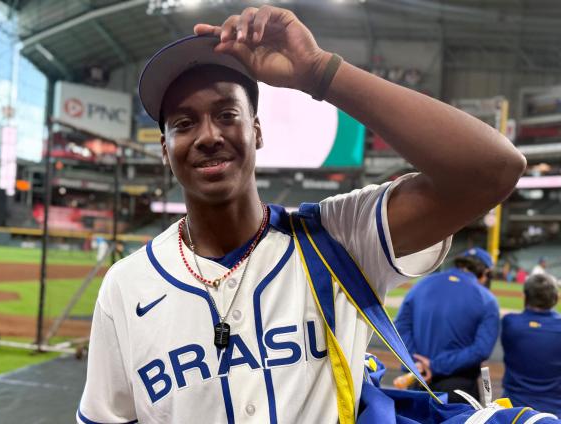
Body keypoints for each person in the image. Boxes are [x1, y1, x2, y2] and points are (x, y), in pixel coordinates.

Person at [77, 6, 525, 423]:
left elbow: (492, 170)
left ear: (256, 131)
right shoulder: (125, 286)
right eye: (184, 123)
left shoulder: (339, 238)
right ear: (165, 149)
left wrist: (320, 72)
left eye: (227, 113)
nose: (208, 135)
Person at [395, 247, 500, 403]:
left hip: (418, 379)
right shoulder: (487, 299)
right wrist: (435, 365)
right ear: (484, 273)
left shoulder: (421, 285)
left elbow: (400, 327)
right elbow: (481, 350)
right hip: (458, 388)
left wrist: (416, 364)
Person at [501, 273, 561, 415]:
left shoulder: (510, 322)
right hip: (554, 411)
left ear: (525, 297)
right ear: (556, 299)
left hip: (513, 409)